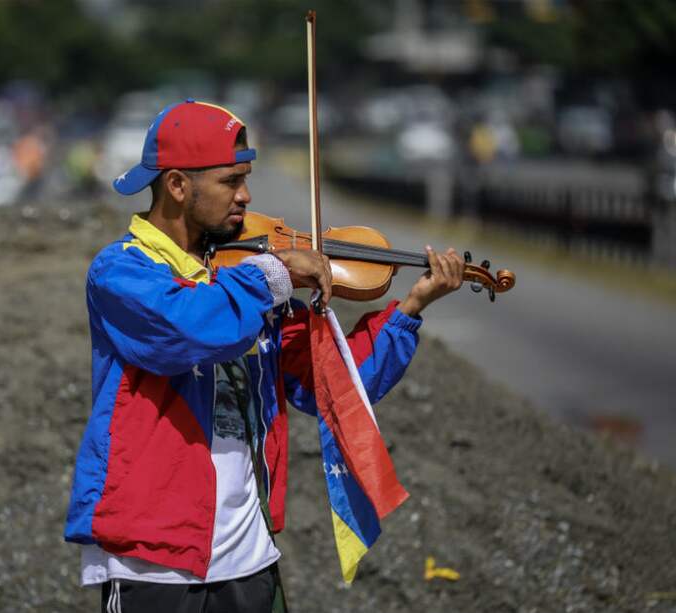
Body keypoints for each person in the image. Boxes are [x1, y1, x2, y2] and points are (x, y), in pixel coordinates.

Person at [64, 100, 465, 612]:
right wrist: (273, 276)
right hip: (153, 563)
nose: (246, 196)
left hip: (250, 558)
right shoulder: (121, 273)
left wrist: (410, 308)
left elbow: (335, 387)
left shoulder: (247, 281)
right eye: (231, 181)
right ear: (179, 186)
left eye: (245, 178)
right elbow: (190, 329)